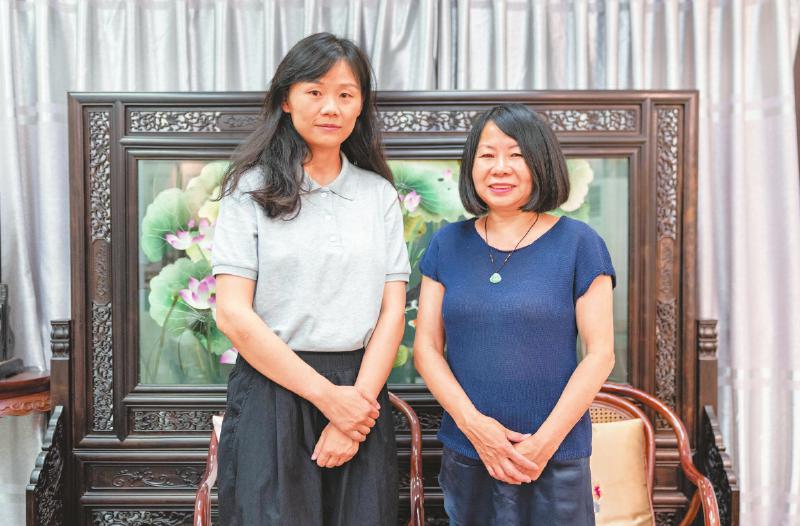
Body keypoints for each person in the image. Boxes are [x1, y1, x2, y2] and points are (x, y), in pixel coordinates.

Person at [211, 32, 409, 525]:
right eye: (315, 91)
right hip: (273, 390)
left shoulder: (378, 195)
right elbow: (232, 314)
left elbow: (392, 312)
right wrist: (327, 399)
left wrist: (354, 409)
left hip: (361, 394)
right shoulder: (248, 190)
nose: (331, 107)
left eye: (346, 94)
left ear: (361, 105)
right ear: (286, 99)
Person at [413, 103, 616, 525]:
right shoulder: (447, 243)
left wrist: (543, 444)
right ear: (471, 166)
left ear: (541, 163)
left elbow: (601, 354)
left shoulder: (580, 243)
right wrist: (475, 428)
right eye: (487, 155)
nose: (500, 168)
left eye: (517, 155)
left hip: (556, 457)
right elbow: (427, 348)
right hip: (468, 452)